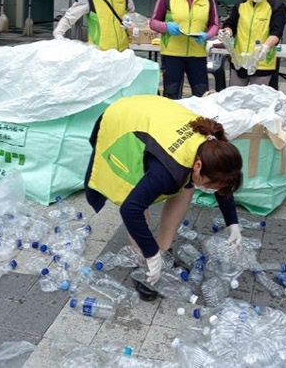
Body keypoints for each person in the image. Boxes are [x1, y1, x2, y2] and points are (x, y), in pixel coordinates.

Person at [84, 95, 243, 300]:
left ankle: (163, 251)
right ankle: (145, 265)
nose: (211, 190)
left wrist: (233, 223)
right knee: (133, 196)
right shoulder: (166, 172)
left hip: (154, 116)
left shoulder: (215, 147)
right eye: (209, 184)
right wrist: (150, 253)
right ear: (198, 166)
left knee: (188, 185)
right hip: (123, 122)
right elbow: (130, 210)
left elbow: (222, 180)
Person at [149, 0, 219, 99]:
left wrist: (207, 35)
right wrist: (166, 27)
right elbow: (154, 22)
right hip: (172, 54)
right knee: (171, 94)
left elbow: (214, 24)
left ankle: (199, 122)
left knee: (202, 96)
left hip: (197, 54)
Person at [220, 0, 286, 86]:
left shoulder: (276, 6)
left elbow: (276, 32)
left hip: (262, 61)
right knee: (237, 99)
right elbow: (231, 24)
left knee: (259, 101)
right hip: (239, 60)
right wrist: (227, 32)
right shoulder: (241, 3)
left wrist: (265, 47)